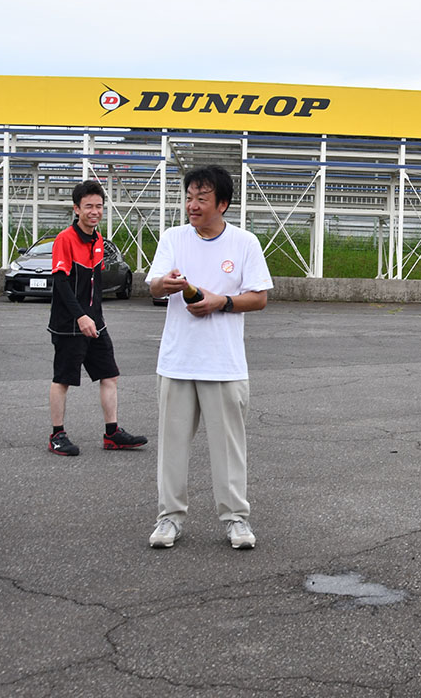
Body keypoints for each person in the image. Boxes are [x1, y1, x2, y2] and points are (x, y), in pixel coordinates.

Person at [145, 165, 273, 550]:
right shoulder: (173, 238)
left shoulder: (244, 242)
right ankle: (169, 518)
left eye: (202, 198)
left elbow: (259, 297)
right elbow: (153, 286)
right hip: (177, 361)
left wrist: (222, 302)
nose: (192, 205)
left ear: (223, 204)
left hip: (224, 364)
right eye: (188, 198)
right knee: (172, 446)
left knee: (229, 449)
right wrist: (165, 284)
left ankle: (236, 519)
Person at [47, 180, 147, 456]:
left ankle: (112, 433)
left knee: (110, 375)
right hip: (69, 324)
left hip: (96, 323)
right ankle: (57, 435)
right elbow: (61, 284)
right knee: (63, 379)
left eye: (99, 206)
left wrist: (94, 317)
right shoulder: (65, 239)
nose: (94, 211)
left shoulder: (99, 240)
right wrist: (80, 316)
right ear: (76, 209)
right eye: (88, 206)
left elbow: (94, 286)